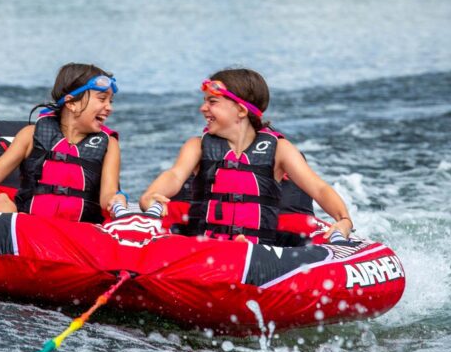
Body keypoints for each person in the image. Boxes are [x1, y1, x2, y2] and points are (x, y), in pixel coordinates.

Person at [139, 68, 353, 244]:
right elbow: (175, 175)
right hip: (207, 250)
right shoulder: (197, 146)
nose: (202, 108)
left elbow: (318, 188)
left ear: (241, 111)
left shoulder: (280, 149)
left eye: (212, 102)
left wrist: (343, 219)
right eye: (205, 101)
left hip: (261, 254)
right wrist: (152, 194)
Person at [0, 63, 127, 223]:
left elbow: (107, 195)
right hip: (27, 228)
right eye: (102, 99)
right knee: (2, 202)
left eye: (111, 101)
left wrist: (116, 200)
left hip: (78, 234)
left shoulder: (108, 145)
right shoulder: (30, 135)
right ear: (72, 103)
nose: (109, 108)